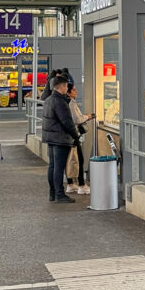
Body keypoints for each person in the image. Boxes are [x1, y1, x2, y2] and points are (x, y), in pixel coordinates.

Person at [42, 75, 81, 204]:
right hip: (60, 138)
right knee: (59, 167)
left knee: (52, 166)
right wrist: (76, 136)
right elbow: (67, 122)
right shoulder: (60, 102)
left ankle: (52, 193)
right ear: (62, 87)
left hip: (50, 138)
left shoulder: (48, 100)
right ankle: (59, 194)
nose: (67, 88)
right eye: (66, 86)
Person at [65, 83, 93, 195]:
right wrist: (88, 117)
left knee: (69, 160)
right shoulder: (71, 103)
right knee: (79, 159)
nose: (76, 91)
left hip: (66, 135)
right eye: (74, 90)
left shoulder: (63, 102)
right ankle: (82, 185)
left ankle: (70, 184)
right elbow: (77, 119)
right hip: (73, 134)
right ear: (68, 92)